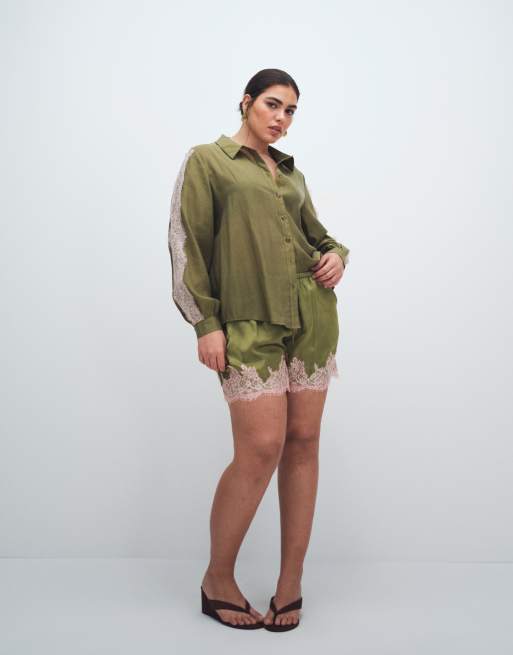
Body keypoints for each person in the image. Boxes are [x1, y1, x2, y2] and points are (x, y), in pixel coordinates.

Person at [168, 69, 350, 632]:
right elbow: (187, 243)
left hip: (310, 315)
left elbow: (318, 236)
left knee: (303, 442)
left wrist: (337, 255)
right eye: (273, 104)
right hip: (247, 321)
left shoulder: (291, 173)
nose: (281, 118)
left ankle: (290, 583)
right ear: (246, 102)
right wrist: (205, 323)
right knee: (261, 447)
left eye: (291, 111)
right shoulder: (208, 161)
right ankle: (217, 579)